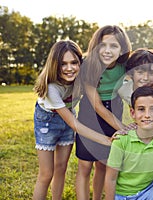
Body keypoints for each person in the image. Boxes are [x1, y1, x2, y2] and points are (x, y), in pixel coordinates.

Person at [32, 40, 113, 200]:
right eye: (63, 64)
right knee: (46, 173)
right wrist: (106, 140)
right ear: (55, 65)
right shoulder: (52, 88)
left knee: (61, 167)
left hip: (67, 115)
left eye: (74, 62)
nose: (69, 68)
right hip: (47, 122)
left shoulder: (81, 78)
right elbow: (74, 124)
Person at [75, 25, 132, 199]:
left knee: (103, 165)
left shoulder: (125, 66)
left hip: (114, 109)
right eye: (103, 45)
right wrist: (122, 127)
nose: (107, 51)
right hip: (90, 114)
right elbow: (97, 105)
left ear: (122, 48)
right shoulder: (89, 66)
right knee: (85, 166)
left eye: (113, 46)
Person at [105, 83, 153, 200]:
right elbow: (111, 178)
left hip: (149, 189)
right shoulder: (121, 140)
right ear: (133, 113)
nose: (147, 115)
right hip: (122, 194)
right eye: (141, 109)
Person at [118, 48, 153, 134]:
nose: (145, 78)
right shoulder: (124, 91)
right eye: (140, 72)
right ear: (131, 73)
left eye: (151, 73)